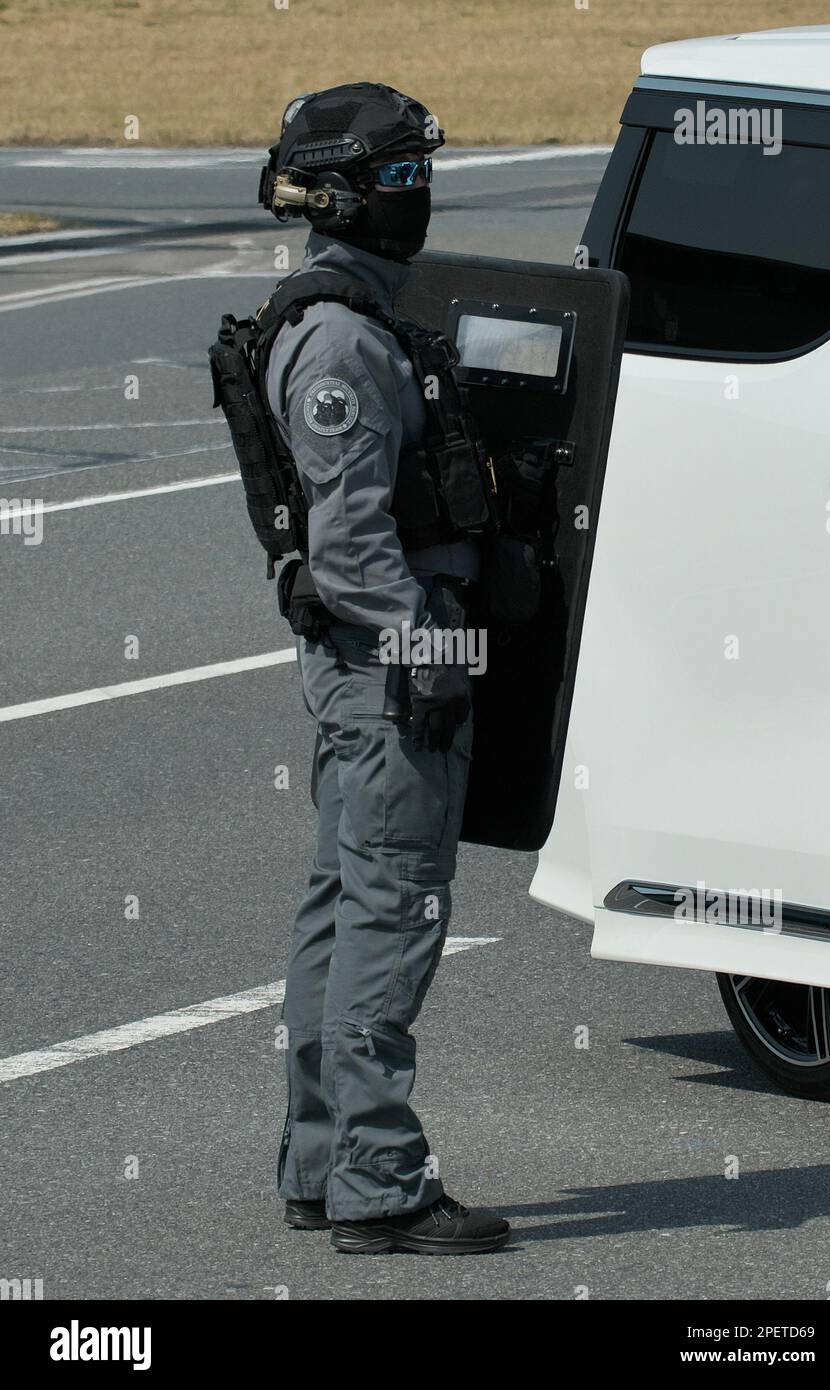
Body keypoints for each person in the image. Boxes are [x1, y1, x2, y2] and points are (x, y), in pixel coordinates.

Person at [262, 83, 511, 1255]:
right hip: (391, 656)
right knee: (390, 918)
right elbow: (351, 541)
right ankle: (377, 1179)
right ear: (356, 196)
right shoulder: (344, 340)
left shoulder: (351, 314)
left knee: (342, 909)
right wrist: (434, 651)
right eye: (405, 178)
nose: (423, 197)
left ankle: (323, 1164)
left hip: (370, 654)